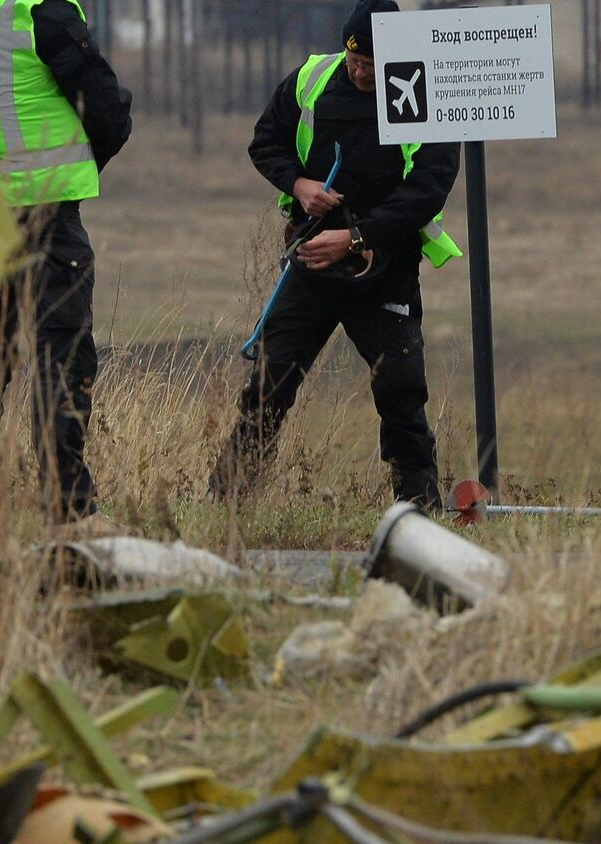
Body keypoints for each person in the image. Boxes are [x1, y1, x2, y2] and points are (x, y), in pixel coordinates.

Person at [210, 0, 463, 512]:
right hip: (308, 259)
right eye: (355, 60)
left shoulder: (418, 91)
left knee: (400, 387)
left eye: (372, 63)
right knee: (271, 378)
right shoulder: (310, 78)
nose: (362, 71)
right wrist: (299, 184)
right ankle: (227, 500)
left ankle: (418, 505)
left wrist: (355, 238)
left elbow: (428, 187)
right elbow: (266, 142)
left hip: (383, 267)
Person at [0, 0, 132, 526]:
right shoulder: (43, 9)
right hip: (48, 216)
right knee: (64, 356)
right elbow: (107, 109)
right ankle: (67, 502)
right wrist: (82, 160)